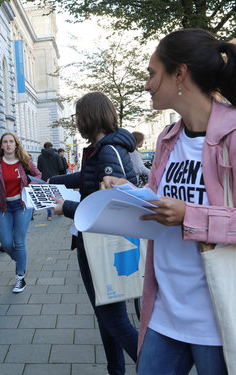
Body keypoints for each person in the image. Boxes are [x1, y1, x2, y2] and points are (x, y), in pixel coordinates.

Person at [102, 28, 236, 375]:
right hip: (165, 307)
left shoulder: (232, 134)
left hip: (219, 315)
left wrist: (190, 215)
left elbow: (185, 213)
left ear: (180, 73)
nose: (146, 84)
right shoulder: (168, 138)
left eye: (151, 73)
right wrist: (127, 193)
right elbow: (159, 204)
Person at [50, 92, 139, 375]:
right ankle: (117, 370)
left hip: (103, 242)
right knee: (107, 316)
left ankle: (158, 366)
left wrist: (66, 207)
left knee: (112, 318)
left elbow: (109, 207)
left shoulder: (108, 150)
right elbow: (86, 178)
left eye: (78, 115)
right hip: (95, 240)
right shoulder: (100, 148)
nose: (76, 121)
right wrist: (51, 181)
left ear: (89, 116)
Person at [0, 132, 41, 293]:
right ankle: (20, 259)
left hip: (22, 206)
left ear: (16, 144)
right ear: (1, 145)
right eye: (5, 142)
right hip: (5, 207)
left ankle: (20, 278)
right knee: (5, 243)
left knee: (19, 241)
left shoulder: (25, 161)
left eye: (11, 141)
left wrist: (28, 187)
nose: (8, 144)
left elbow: (38, 175)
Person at [37, 141, 65, 220]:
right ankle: (58, 211)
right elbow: (61, 167)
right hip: (55, 178)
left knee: (47, 196)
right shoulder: (56, 155)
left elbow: (39, 169)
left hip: (45, 179)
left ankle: (49, 215)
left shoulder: (40, 157)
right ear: (51, 146)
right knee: (56, 194)